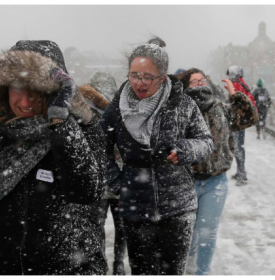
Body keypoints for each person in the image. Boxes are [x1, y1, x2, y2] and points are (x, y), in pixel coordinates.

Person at [0, 40, 107, 276]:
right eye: (17, 89)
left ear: (55, 91)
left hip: (69, 270)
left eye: (36, 92)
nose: (24, 102)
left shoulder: (83, 129)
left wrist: (60, 122)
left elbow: (86, 190)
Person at [101, 39, 213, 276]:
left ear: (162, 77)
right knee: (141, 271)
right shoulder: (118, 106)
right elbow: (99, 146)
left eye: (147, 77)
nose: (139, 83)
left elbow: (206, 142)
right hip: (135, 203)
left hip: (178, 205)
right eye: (134, 75)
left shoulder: (182, 103)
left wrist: (185, 150)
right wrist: (116, 182)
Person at [178, 68, 258, 276]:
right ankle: (188, 259)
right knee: (190, 231)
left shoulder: (221, 108)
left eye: (202, 80)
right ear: (186, 86)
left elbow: (249, 118)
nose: (199, 84)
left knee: (207, 232)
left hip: (215, 181)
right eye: (194, 82)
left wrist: (236, 96)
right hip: (186, 181)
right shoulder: (180, 111)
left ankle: (202, 272)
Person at [81, 71, 127, 276]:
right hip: (118, 179)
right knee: (121, 226)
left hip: (100, 181)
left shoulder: (84, 115)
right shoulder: (120, 112)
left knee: (97, 227)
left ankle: (104, 263)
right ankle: (117, 264)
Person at [227, 66, 257, 186]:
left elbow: (236, 104)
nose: (229, 76)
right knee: (239, 147)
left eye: (230, 74)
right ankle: (240, 172)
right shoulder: (242, 83)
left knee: (238, 148)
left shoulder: (237, 85)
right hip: (241, 121)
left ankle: (242, 175)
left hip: (238, 122)